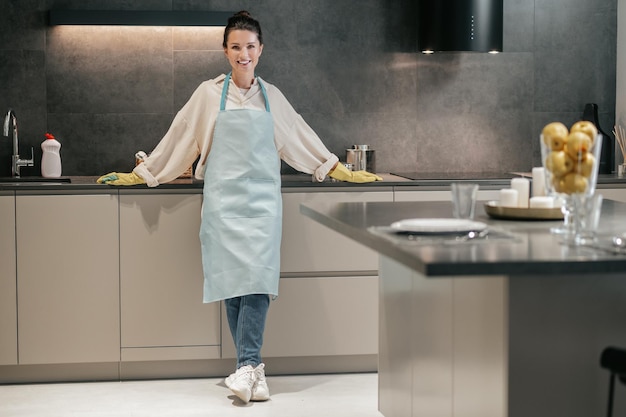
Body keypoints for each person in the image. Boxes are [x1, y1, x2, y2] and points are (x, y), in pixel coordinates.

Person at [98, 10, 382, 403]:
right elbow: (180, 137)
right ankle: (252, 371)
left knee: (258, 284)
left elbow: (299, 137)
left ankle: (248, 364)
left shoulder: (273, 97)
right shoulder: (207, 95)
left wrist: (337, 168)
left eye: (250, 46)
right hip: (223, 206)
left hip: (263, 206)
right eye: (236, 47)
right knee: (234, 287)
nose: (243, 54)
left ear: (260, 50)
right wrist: (144, 172)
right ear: (225, 51)